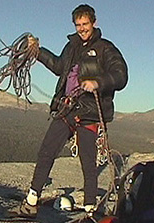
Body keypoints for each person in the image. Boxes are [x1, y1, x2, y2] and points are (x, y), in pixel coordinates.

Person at [19, 4, 128, 218]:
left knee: (88, 161)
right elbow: (60, 67)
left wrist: (97, 82)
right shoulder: (72, 47)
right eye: (78, 25)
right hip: (66, 106)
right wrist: (37, 52)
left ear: (94, 23)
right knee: (47, 150)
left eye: (85, 24)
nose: (82, 28)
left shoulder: (106, 48)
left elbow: (121, 75)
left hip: (89, 111)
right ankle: (32, 199)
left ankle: (90, 209)